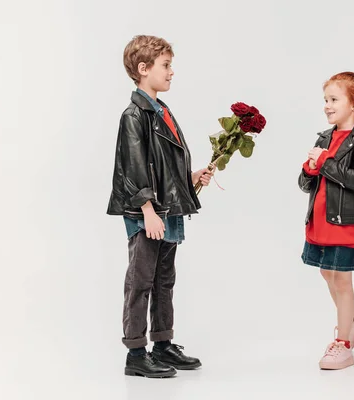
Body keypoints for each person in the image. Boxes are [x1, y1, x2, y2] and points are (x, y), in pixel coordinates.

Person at [107, 35, 214, 378]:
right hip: (149, 215)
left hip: (167, 210)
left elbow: (163, 165)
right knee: (141, 281)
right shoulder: (134, 115)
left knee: (164, 279)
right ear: (143, 69)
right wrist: (148, 211)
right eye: (165, 66)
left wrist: (191, 177)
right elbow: (135, 167)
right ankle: (136, 353)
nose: (171, 73)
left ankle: (163, 344)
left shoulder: (161, 111)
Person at [298, 72, 354, 370]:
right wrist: (310, 170)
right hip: (321, 218)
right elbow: (306, 183)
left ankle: (343, 343)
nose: (327, 106)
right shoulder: (324, 137)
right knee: (326, 273)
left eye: (334, 100)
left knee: (342, 280)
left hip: (344, 222)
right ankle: (352, 318)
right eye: (325, 100)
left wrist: (324, 162)